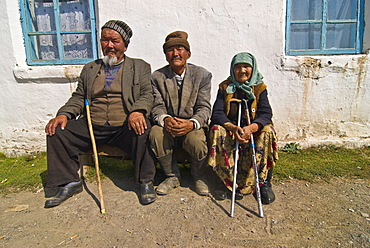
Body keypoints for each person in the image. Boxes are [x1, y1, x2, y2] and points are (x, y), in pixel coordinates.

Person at [44, 20, 157, 207]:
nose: (109, 45)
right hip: (92, 125)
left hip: (123, 126)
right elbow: (79, 96)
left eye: (115, 40)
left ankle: (145, 181)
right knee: (57, 131)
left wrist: (137, 111)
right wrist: (64, 114)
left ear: (125, 45)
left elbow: (147, 94)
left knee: (144, 129)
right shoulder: (90, 69)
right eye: (105, 40)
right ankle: (69, 182)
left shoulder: (140, 67)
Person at [208, 52, 278, 204]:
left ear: (253, 68)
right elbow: (217, 113)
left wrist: (251, 128)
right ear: (232, 69)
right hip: (232, 131)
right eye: (237, 67)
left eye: (246, 66)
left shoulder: (259, 88)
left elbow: (266, 114)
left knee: (267, 131)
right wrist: (233, 128)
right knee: (216, 130)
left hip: (252, 131)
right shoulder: (225, 87)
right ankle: (224, 182)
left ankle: (263, 181)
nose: (242, 71)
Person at [150, 31, 212, 196]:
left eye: (180, 49)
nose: (175, 53)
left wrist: (191, 123)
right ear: (165, 56)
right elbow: (157, 105)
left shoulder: (202, 75)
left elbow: (204, 107)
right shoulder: (157, 77)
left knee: (197, 141)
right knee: (156, 134)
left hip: (191, 125)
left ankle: (198, 176)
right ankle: (172, 176)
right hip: (168, 126)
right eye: (170, 50)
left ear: (188, 54)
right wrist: (165, 119)